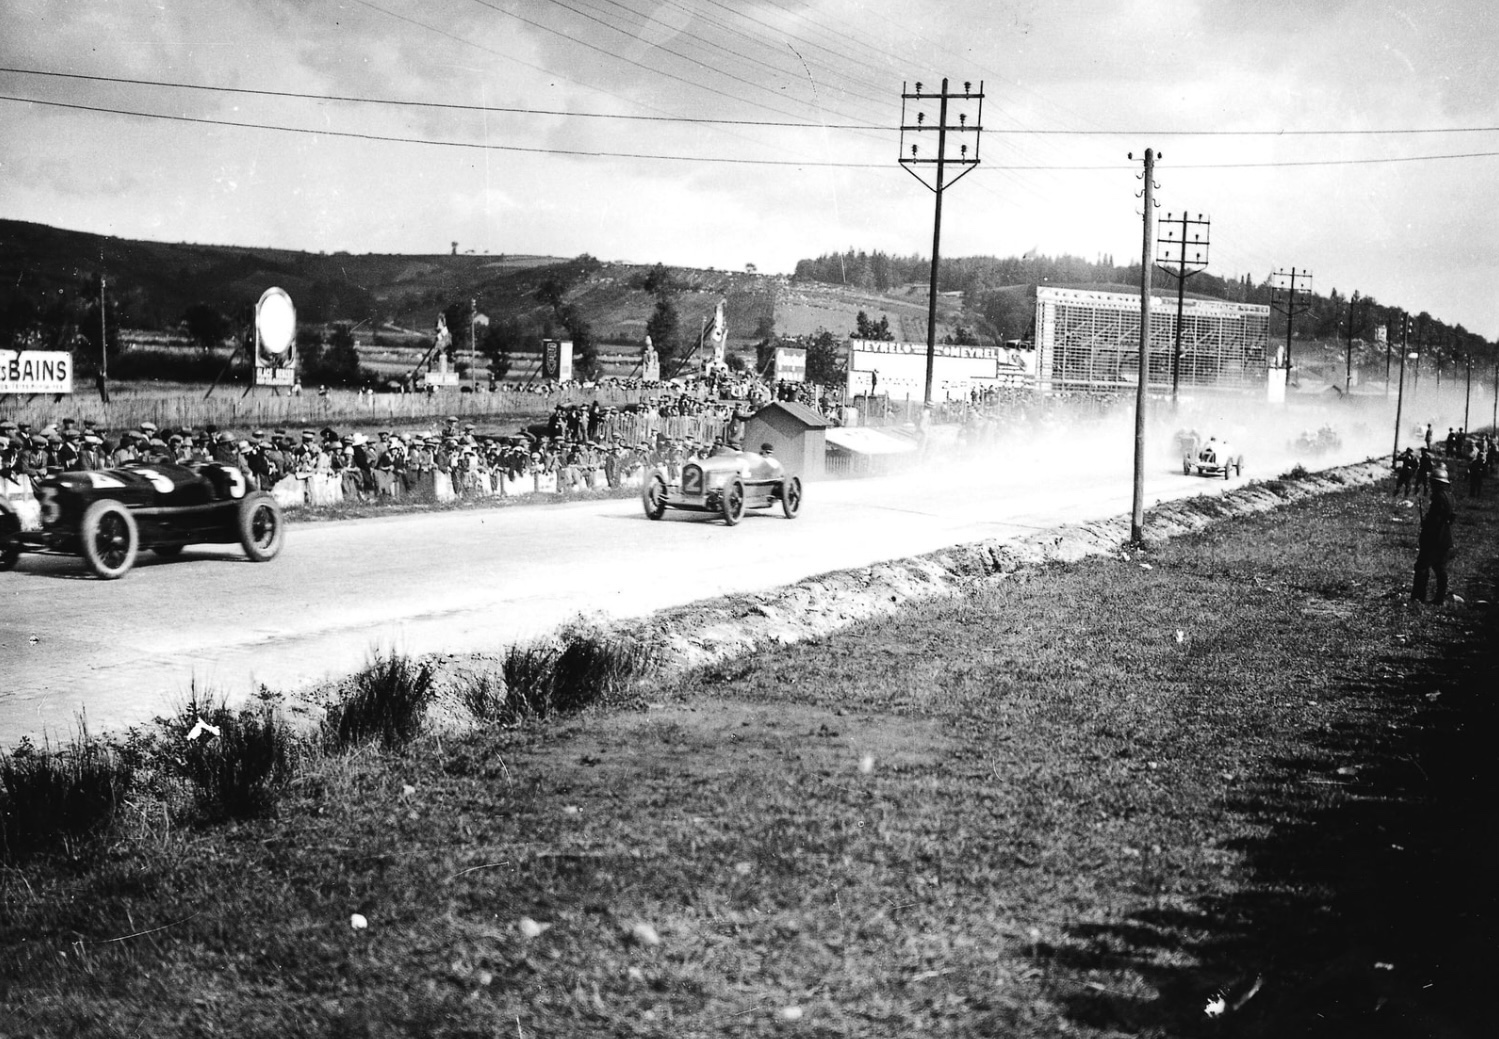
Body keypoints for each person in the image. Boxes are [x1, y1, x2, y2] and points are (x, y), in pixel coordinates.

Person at [1412, 464, 1456, 605]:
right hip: (1444, 538)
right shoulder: (1449, 496)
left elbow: (1435, 521)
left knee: (1422, 567)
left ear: (1437, 483)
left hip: (1434, 539)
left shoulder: (1438, 497)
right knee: (1440, 568)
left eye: (1433, 483)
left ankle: (1418, 598)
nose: (1431, 486)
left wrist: (1426, 527)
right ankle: (1439, 599)